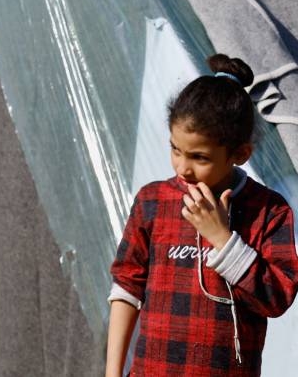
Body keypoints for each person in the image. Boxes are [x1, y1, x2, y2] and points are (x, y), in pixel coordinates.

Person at [106, 54, 298, 376]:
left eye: (199, 157)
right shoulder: (153, 201)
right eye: (175, 149)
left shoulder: (269, 210)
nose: (182, 168)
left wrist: (223, 239)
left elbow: (277, 298)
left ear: (240, 154)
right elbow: (127, 287)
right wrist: (112, 372)